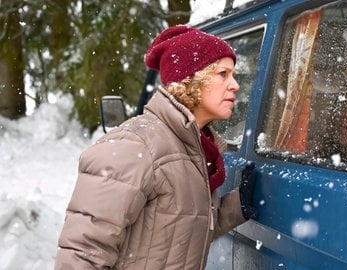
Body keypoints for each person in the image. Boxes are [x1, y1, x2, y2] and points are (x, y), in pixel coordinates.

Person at [55, 25, 258, 269]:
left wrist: (237, 206)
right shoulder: (133, 145)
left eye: (233, 75)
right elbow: (83, 253)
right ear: (191, 80)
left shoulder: (194, 148)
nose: (235, 85)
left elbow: (175, 234)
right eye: (223, 74)